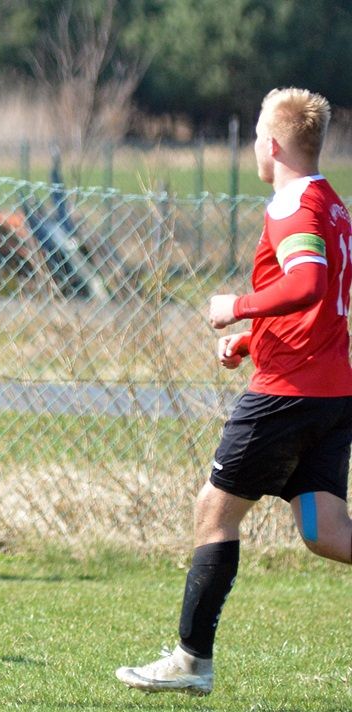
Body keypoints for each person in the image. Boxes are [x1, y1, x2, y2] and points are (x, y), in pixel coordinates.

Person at [116, 87, 352, 696]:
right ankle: (190, 661)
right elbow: (322, 305)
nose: (252, 147)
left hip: (285, 396)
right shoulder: (332, 205)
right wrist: (254, 340)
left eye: (253, 137)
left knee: (213, 511)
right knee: (326, 532)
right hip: (329, 392)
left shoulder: (291, 208)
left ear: (271, 146)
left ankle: (191, 662)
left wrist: (236, 309)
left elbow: (307, 282)